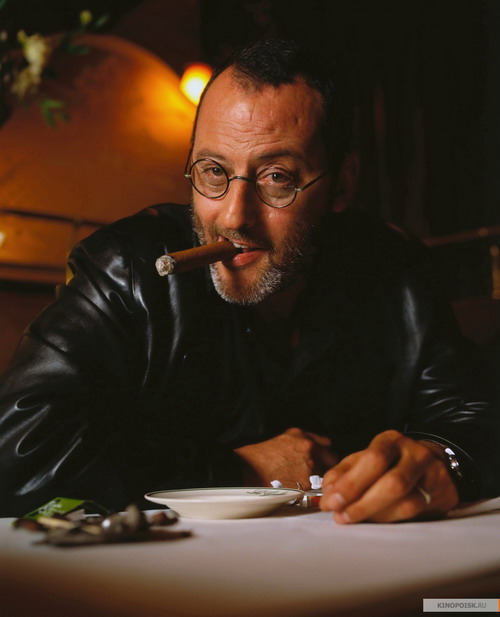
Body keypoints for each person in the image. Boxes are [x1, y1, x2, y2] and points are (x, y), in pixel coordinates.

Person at [0, 39, 494, 521]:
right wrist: (240, 471)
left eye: (277, 176)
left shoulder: (392, 266)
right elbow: (16, 451)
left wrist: (443, 462)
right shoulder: (127, 267)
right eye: (214, 171)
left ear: (341, 185)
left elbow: (477, 420)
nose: (235, 217)